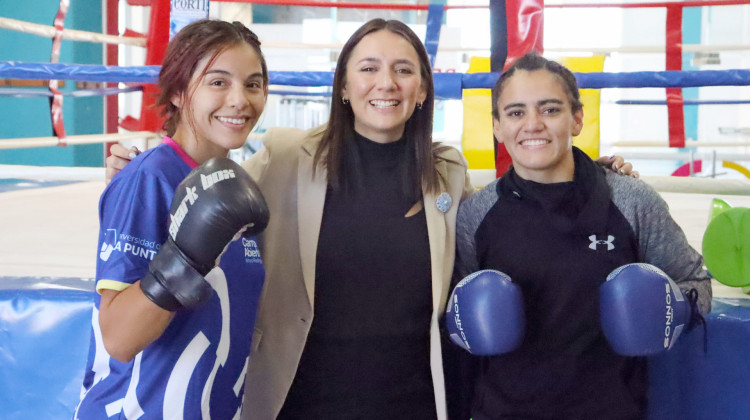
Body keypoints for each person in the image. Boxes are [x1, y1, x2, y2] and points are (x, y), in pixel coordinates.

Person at [105, 20, 636, 419]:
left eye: (404, 70)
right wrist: (139, 167)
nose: (387, 83)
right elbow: (211, 186)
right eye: (369, 68)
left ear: (423, 89)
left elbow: (509, 216)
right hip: (301, 397)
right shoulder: (288, 156)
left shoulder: (447, 170)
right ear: (343, 86)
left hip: (416, 399)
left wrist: (593, 174)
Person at [450, 52, 712, 420]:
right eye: (516, 112)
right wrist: (463, 322)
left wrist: (675, 308)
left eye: (550, 110)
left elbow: (697, 281)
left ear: (576, 119)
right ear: (497, 127)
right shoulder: (476, 216)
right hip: (502, 412)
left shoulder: (630, 200)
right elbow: (456, 316)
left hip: (612, 411)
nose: (533, 124)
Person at [75, 19, 270, 419]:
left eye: (252, 84)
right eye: (218, 82)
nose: (240, 99)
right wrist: (183, 261)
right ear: (179, 93)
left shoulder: (242, 189)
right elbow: (118, 338)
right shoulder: (150, 177)